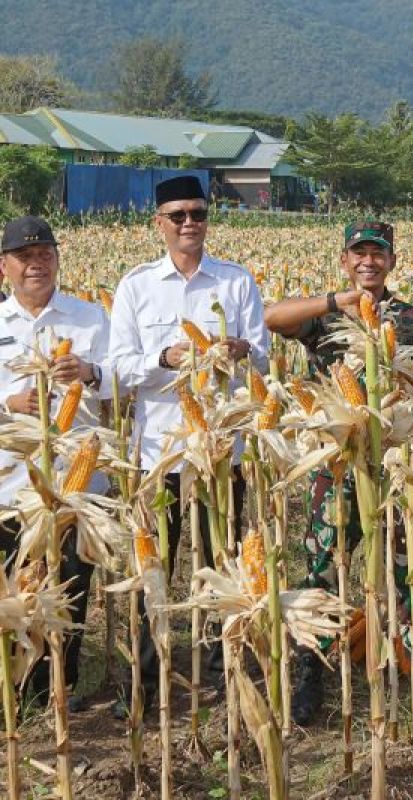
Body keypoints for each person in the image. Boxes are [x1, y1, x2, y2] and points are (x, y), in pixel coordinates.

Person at [264, 220, 413, 725]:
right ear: (345, 260)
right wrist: (334, 302)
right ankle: (314, 671)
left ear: (392, 260)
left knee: (410, 562)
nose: (369, 261)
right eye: (359, 253)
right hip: (339, 461)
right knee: (326, 565)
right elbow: (270, 319)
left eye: (378, 253)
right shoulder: (325, 319)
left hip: (395, 463)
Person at [108, 175, 269, 712]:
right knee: (156, 566)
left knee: (222, 560)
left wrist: (237, 350)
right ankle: (149, 678)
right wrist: (166, 359)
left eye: (197, 214)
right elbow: (119, 371)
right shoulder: (137, 286)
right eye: (177, 215)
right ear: (158, 223)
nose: (188, 224)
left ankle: (220, 671)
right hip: (161, 454)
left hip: (223, 452)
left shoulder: (236, 280)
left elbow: (263, 356)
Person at [0, 216, 109, 711]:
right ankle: (11, 689)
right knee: (12, 591)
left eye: (44, 254)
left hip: (73, 486)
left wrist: (89, 373)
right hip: (11, 487)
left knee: (67, 589)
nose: (35, 264)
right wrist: (9, 405)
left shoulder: (90, 318)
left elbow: (121, 385)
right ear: (5, 267)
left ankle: (54, 691)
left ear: (58, 259)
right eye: (24, 257)